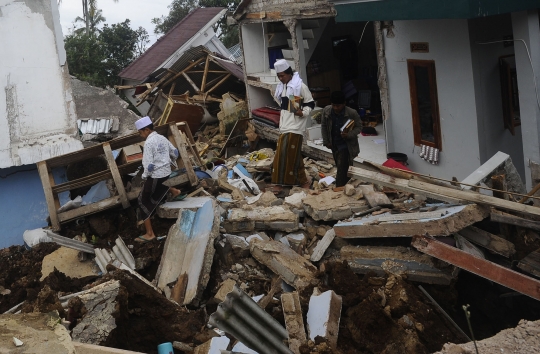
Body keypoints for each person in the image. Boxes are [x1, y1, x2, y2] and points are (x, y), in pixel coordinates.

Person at [135, 116, 182, 242]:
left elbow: (148, 165)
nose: (141, 135)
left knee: (142, 201)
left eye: (141, 132)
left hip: (156, 175)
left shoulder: (149, 143)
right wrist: (167, 162)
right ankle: (175, 191)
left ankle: (150, 233)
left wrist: (144, 177)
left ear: (146, 130)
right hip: (166, 172)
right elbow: (175, 152)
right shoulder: (162, 138)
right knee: (160, 186)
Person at [271, 59, 315, 188]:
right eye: (278, 76)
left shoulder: (299, 86)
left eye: (282, 75)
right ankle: (303, 180)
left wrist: (303, 112)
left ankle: (288, 182)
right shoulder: (282, 87)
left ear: (289, 73)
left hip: (295, 126)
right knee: (293, 154)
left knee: (286, 155)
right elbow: (285, 106)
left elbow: (310, 103)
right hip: (284, 125)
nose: (280, 78)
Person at [321, 91, 362, 187]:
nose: (336, 108)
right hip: (334, 144)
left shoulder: (352, 113)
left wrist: (348, 135)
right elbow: (323, 126)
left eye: (338, 106)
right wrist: (326, 141)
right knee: (341, 165)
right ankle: (346, 185)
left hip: (346, 145)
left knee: (342, 167)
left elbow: (359, 127)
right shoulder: (326, 111)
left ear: (344, 104)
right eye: (334, 105)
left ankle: (339, 186)